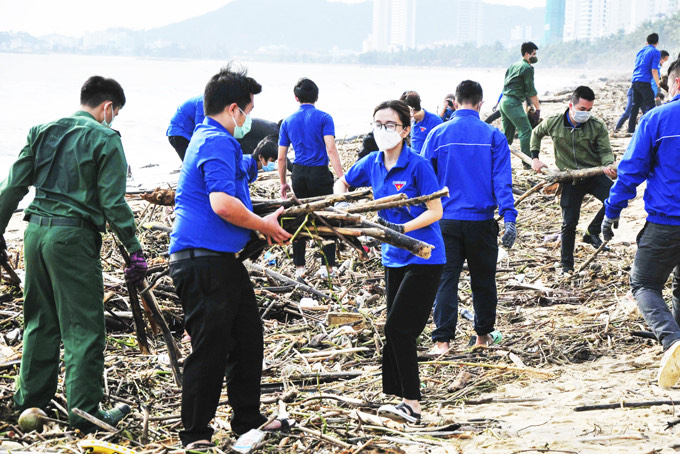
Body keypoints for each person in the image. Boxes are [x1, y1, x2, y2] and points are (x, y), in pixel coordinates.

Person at [0, 76, 147, 431]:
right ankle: (86, 412)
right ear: (108, 107)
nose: (113, 120)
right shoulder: (106, 138)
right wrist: (134, 248)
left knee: (39, 320)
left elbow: (13, 185)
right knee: (83, 326)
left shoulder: (41, 130)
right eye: (115, 113)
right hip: (72, 238)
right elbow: (112, 202)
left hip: (34, 235)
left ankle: (30, 401)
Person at [168, 64, 293, 450]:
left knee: (246, 339)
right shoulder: (213, 140)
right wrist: (264, 225)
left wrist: (259, 170)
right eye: (249, 110)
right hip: (201, 260)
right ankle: (195, 435)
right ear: (234, 109)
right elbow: (222, 204)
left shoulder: (219, 141)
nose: (249, 119)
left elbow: (238, 182)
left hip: (221, 260)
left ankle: (247, 421)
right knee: (210, 347)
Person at [334, 99, 445, 423]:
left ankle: (413, 406)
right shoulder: (371, 163)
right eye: (378, 124)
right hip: (392, 257)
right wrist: (341, 202)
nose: (383, 130)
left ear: (405, 130)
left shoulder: (418, 165)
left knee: (400, 328)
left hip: (424, 256)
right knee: (397, 328)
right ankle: (397, 397)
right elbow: (344, 182)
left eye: (390, 125)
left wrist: (400, 229)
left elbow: (436, 211)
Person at [421, 80, 517, 354]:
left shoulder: (437, 134)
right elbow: (502, 181)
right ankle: (483, 337)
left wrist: (423, 217)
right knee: (483, 280)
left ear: (455, 102)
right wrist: (509, 216)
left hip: (445, 221)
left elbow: (424, 180)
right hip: (481, 221)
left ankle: (442, 341)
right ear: (480, 103)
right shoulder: (493, 135)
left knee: (446, 279)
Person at [602, 59, 680, 389]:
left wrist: (612, 211)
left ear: (675, 83)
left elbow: (631, 171)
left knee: (644, 284)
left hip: (667, 222)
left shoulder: (657, 119)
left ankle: (672, 342)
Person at [531, 86, 617, 274]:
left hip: (594, 175)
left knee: (616, 199)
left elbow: (605, 152)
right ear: (571, 105)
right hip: (569, 179)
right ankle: (566, 266)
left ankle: (592, 231)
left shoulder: (597, 125)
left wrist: (608, 166)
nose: (585, 114)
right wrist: (535, 157)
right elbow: (536, 133)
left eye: (589, 110)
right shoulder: (554, 122)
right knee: (569, 223)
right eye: (582, 110)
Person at [278, 78, 344, 279]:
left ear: (296, 98)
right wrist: (342, 178)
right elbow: (331, 149)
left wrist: (283, 182)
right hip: (319, 173)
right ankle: (327, 267)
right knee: (325, 215)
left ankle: (299, 267)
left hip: (298, 174)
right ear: (317, 96)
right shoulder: (324, 118)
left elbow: (281, 157)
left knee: (300, 216)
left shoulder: (287, 121)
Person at [166, 94, 279, 161]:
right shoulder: (204, 103)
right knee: (191, 162)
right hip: (179, 133)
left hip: (188, 132)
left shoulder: (217, 106)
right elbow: (201, 130)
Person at [499, 41, 541, 162]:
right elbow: (531, 91)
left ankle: (498, 160)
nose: (535, 57)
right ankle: (527, 162)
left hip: (504, 102)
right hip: (513, 103)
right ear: (527, 54)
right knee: (526, 130)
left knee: (507, 134)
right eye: (534, 54)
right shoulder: (527, 68)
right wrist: (538, 108)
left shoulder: (513, 65)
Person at [627, 33, 662, 133]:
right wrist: (658, 84)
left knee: (635, 106)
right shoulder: (655, 52)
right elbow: (654, 70)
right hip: (644, 82)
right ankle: (652, 130)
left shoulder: (640, 51)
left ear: (647, 42)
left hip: (635, 81)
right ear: (657, 42)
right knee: (651, 106)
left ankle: (631, 129)